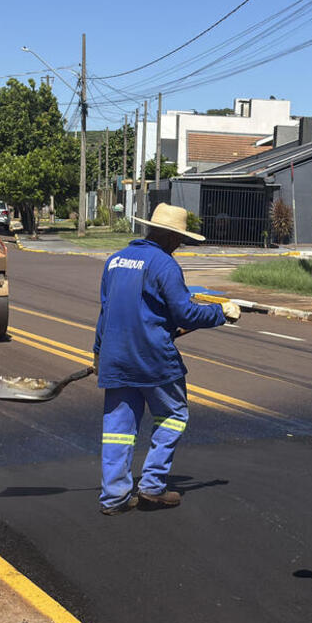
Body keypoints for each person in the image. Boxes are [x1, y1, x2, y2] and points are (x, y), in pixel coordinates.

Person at [93, 203, 239, 514]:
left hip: (115, 355)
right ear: (171, 237)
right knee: (173, 415)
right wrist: (220, 312)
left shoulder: (115, 260)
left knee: (118, 428)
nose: (180, 245)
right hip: (152, 357)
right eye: (180, 240)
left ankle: (114, 497)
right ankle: (152, 487)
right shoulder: (165, 264)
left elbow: (106, 312)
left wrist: (97, 352)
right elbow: (184, 311)